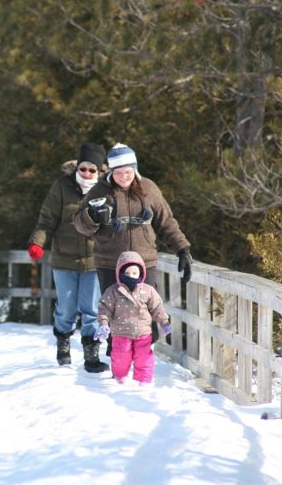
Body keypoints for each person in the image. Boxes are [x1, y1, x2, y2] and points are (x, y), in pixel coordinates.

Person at [73, 142, 192, 353]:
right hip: (110, 262)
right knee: (115, 311)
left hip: (143, 261)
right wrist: (91, 216)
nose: (123, 177)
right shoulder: (100, 190)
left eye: (127, 172)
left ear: (134, 170)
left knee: (146, 310)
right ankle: (118, 354)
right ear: (110, 171)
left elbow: (166, 222)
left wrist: (182, 249)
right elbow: (79, 224)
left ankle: (143, 351)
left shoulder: (149, 189)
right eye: (118, 173)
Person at [28, 143, 110, 372]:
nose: (87, 174)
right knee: (66, 307)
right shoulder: (62, 187)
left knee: (92, 308)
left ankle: (91, 355)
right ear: (77, 167)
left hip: (95, 261)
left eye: (92, 170)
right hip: (64, 259)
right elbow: (47, 219)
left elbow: (115, 224)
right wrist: (37, 242)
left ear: (100, 171)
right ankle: (63, 342)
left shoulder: (106, 190)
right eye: (83, 168)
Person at [94, 251, 171, 385]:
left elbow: (157, 307)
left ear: (141, 274)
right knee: (120, 356)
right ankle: (120, 377)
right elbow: (104, 308)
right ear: (120, 273)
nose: (131, 277)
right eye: (127, 273)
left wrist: (164, 322)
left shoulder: (148, 291)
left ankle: (144, 380)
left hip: (143, 333)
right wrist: (103, 324)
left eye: (134, 273)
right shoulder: (113, 291)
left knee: (144, 357)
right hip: (120, 333)